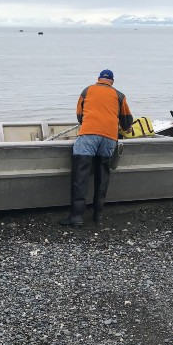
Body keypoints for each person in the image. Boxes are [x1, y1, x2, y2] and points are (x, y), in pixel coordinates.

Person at [60, 69, 133, 227]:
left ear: (98, 79)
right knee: (102, 175)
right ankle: (98, 215)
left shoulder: (87, 91)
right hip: (109, 138)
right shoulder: (119, 95)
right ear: (112, 81)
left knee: (81, 176)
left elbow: (80, 116)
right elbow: (127, 122)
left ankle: (77, 217)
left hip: (88, 136)